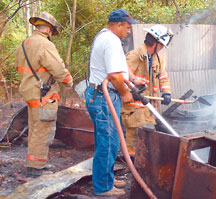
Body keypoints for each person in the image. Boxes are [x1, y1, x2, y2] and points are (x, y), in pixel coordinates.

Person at [84, 9, 137, 197]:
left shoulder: (106, 37)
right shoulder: (111, 41)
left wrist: (133, 80)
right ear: (118, 24)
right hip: (104, 97)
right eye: (128, 27)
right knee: (108, 142)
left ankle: (107, 178)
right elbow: (114, 75)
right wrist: (125, 93)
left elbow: (120, 66)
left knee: (111, 141)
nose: (129, 31)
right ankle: (103, 187)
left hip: (101, 96)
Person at [15, 12, 73, 178]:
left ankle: (34, 162)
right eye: (52, 32)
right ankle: (35, 167)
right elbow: (57, 68)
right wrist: (68, 81)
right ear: (49, 29)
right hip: (44, 95)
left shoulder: (24, 44)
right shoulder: (45, 45)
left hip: (29, 92)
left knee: (35, 127)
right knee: (43, 129)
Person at [122, 25, 174, 155]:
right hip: (134, 107)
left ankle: (142, 162)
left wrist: (166, 92)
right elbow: (121, 77)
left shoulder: (158, 59)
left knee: (147, 139)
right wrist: (130, 91)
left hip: (149, 107)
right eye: (161, 45)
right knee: (133, 139)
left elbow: (163, 77)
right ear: (154, 43)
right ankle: (131, 163)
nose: (162, 48)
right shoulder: (134, 56)